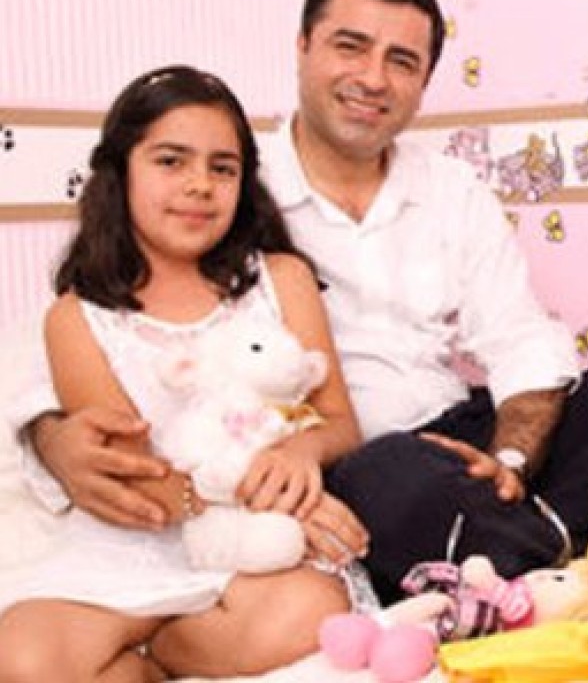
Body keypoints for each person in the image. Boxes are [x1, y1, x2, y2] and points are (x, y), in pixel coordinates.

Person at [14, 0, 588, 608]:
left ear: (423, 82)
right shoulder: (228, 182)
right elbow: (110, 323)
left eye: (402, 61)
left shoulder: (452, 189)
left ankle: (511, 544)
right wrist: (50, 436)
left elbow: (519, 336)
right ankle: (546, 556)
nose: (373, 78)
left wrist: (509, 461)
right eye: (350, 46)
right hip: (356, 463)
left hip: (459, 437)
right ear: (302, 48)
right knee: (394, 479)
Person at [0, 65, 366, 682]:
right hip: (134, 539)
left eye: (222, 168)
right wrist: (243, 488)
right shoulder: (77, 318)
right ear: (121, 172)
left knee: (308, 610)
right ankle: (142, 648)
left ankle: (153, 661)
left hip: (248, 546)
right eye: (171, 162)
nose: (200, 185)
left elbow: (339, 423)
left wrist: (299, 455)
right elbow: (136, 479)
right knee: (21, 657)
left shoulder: (282, 279)